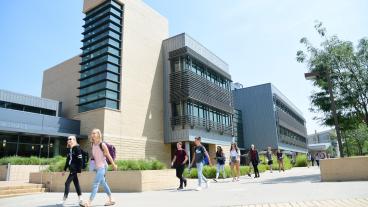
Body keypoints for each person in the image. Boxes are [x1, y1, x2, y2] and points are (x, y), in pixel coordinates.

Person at [81, 129, 118, 207]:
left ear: (98, 134)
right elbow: (95, 156)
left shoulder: (102, 145)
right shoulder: (92, 144)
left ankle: (89, 202)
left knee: (95, 184)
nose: (93, 134)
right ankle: (111, 199)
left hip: (103, 167)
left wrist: (114, 165)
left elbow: (108, 155)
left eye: (94, 133)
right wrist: (91, 163)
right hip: (97, 167)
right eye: (92, 133)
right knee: (103, 183)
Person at [60, 136, 83, 206]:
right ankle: (81, 199)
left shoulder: (77, 148)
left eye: (70, 139)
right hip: (71, 169)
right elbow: (68, 160)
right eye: (68, 139)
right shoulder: (70, 149)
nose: (68, 140)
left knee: (67, 183)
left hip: (75, 169)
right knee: (76, 184)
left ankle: (64, 199)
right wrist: (64, 169)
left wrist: (79, 171)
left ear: (74, 140)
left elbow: (80, 160)